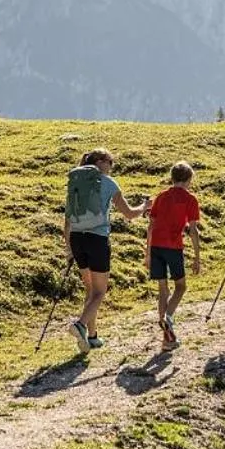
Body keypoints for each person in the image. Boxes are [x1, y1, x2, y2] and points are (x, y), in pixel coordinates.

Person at [62, 149, 147, 353]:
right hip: (97, 239)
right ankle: (80, 325)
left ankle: (92, 337)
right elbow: (128, 214)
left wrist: (68, 248)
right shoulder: (108, 183)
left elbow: (67, 219)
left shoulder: (75, 182)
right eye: (111, 162)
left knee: (90, 291)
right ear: (101, 162)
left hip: (77, 239)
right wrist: (145, 206)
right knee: (100, 291)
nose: (111, 167)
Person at [144, 162, 202, 349]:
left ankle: (166, 338)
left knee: (163, 290)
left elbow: (151, 225)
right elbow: (193, 230)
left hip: (156, 246)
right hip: (174, 247)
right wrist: (197, 258)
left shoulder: (161, 196)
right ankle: (168, 317)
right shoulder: (190, 199)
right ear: (188, 179)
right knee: (181, 287)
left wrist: (147, 253)